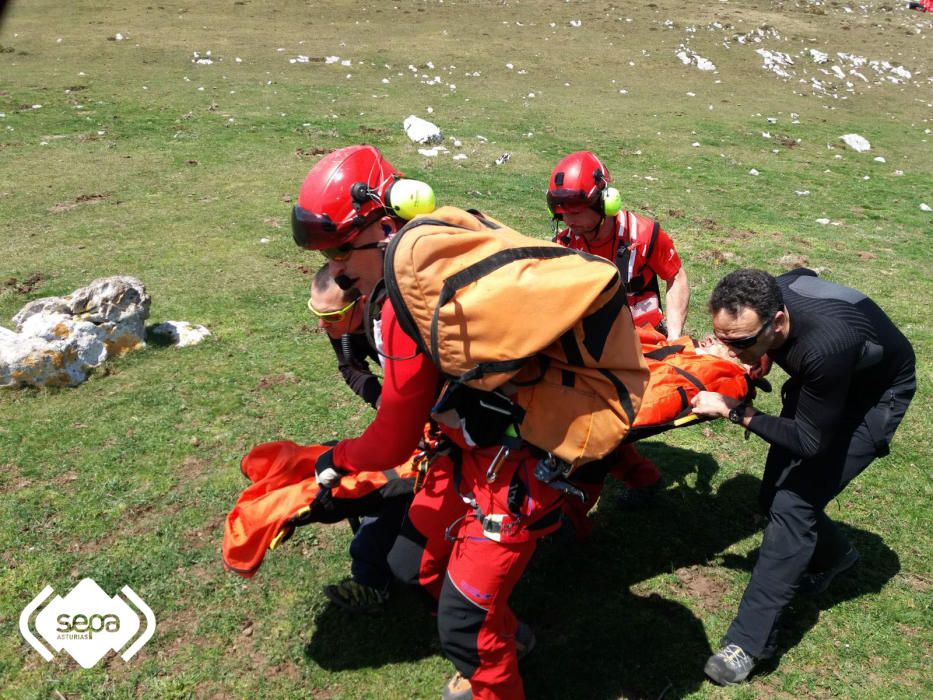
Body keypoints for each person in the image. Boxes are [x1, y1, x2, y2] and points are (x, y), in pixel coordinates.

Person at [292, 145, 625, 699]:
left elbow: (393, 432)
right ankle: (507, 640)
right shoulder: (446, 240)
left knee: (463, 622)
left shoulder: (405, 300)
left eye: (343, 250)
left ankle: (491, 657)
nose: (337, 269)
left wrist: (336, 462)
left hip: (516, 468)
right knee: (420, 569)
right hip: (468, 449)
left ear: (386, 220)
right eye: (328, 254)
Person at [691, 267, 915, 685]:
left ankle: (749, 643)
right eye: (722, 337)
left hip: (872, 400)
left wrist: (735, 410)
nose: (729, 349)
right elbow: (804, 273)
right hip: (826, 386)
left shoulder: (826, 348)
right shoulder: (775, 291)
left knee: (793, 504)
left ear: (777, 322)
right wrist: (751, 354)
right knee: (773, 491)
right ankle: (836, 556)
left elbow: (810, 442)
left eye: (739, 342)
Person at [547, 150, 690, 509]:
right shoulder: (565, 243)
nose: (569, 221)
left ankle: (575, 507)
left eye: (577, 211)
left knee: (600, 422)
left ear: (606, 202)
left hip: (643, 343)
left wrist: (673, 337)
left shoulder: (645, 235)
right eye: (563, 213)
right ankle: (643, 478)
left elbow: (675, 277)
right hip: (595, 346)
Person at [307, 265, 414, 613]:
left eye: (332, 315)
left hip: (435, 405)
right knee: (384, 476)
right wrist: (382, 400)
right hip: (405, 406)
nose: (323, 325)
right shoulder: (339, 322)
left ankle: (374, 575)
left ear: (363, 300)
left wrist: (406, 411)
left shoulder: (402, 319)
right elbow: (350, 367)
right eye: (316, 313)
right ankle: (372, 570)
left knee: (398, 483)